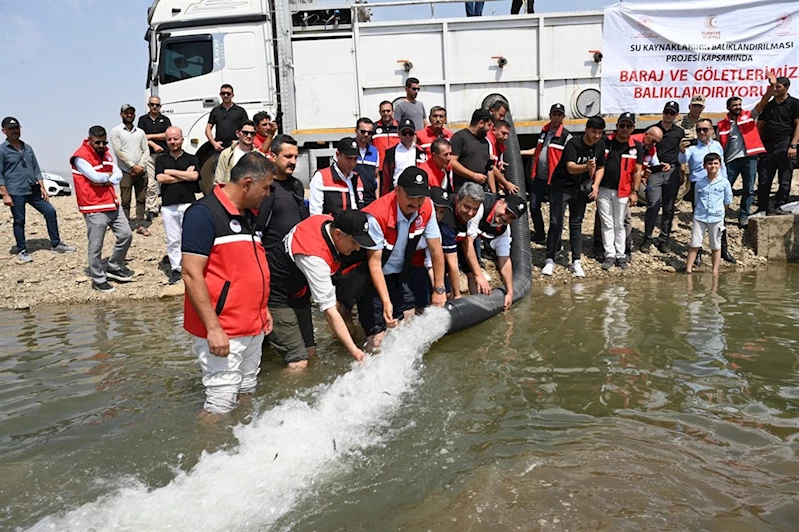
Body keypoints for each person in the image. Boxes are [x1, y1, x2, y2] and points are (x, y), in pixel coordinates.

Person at [181, 153, 274, 416]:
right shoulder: (202, 214)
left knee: (246, 390)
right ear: (247, 184)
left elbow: (249, 266)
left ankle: (241, 437)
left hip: (253, 324)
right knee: (220, 403)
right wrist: (213, 329)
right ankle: (209, 443)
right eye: (265, 187)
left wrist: (263, 309)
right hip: (224, 329)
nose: (268, 194)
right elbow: (190, 274)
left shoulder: (250, 214)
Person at [268, 210, 375, 367]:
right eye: (354, 242)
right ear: (338, 234)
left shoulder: (325, 221)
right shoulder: (314, 257)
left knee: (310, 351)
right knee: (298, 362)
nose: (357, 248)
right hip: (277, 295)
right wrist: (355, 351)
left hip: (299, 293)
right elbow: (330, 311)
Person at [359, 167, 447, 349]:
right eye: (410, 197)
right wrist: (386, 301)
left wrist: (439, 289)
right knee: (377, 337)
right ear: (397, 190)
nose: (416, 203)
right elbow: (374, 264)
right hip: (373, 277)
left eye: (420, 198)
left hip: (400, 273)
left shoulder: (427, 207)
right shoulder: (377, 216)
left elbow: (436, 249)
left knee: (405, 323)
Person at [258, 134, 314, 366]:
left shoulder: (297, 185)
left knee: (311, 353)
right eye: (287, 156)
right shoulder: (266, 188)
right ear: (273, 156)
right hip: (275, 283)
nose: (293, 161)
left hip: (298, 281)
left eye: (295, 157)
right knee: (298, 362)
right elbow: (256, 232)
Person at [1, 117, 74, 263]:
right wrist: (5, 194)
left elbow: (36, 168)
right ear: (4, 131)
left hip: (33, 189)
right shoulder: (2, 150)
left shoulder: (27, 148)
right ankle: (22, 250)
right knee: (19, 220)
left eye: (17, 128)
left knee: (50, 212)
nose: (15, 131)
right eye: (11, 129)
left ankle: (56, 244)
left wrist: (42, 187)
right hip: (15, 191)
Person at [70, 126, 133, 293]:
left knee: (126, 235)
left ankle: (114, 266)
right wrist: (107, 178)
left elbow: (117, 174)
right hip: (94, 206)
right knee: (96, 245)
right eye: (97, 142)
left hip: (112, 203)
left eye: (104, 142)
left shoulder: (106, 154)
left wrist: (105, 180)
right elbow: (95, 177)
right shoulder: (80, 157)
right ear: (89, 139)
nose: (101, 145)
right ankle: (98, 279)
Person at [542, 115, 606, 278]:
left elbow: (600, 167)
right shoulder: (573, 143)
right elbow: (570, 167)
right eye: (594, 132)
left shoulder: (600, 145)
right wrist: (586, 166)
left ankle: (576, 261)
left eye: (600, 132)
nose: (597, 136)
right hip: (561, 186)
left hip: (580, 189)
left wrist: (596, 185)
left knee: (576, 223)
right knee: (556, 222)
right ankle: (550, 259)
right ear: (586, 130)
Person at [678, 118, 735, 264]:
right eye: (699, 130)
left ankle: (723, 249)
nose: (702, 132)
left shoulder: (717, 145)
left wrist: (725, 182)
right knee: (699, 219)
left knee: (720, 219)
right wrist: (682, 151)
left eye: (705, 129)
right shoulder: (692, 148)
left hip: (717, 184)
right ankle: (697, 251)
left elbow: (722, 165)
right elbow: (683, 160)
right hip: (700, 185)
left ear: (711, 130)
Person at [591, 112, 643, 271]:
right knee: (606, 223)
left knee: (619, 224)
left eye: (628, 126)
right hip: (604, 189)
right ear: (617, 126)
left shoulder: (637, 147)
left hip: (623, 191)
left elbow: (637, 171)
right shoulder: (605, 141)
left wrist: (635, 192)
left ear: (633, 128)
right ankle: (609, 254)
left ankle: (621, 255)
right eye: (622, 125)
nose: (624, 129)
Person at [459, 188, 524, 310]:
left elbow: (504, 259)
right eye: (506, 211)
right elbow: (467, 242)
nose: (506, 217)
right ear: (501, 202)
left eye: (511, 217)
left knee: (472, 274)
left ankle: (477, 307)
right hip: (453, 231)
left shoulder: (504, 229)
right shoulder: (481, 207)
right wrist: (479, 275)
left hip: (464, 239)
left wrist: (510, 292)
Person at [719, 81, 773, 227]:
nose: (738, 107)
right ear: (728, 107)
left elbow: (763, 101)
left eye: (739, 104)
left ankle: (744, 215)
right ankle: (720, 214)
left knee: (749, 189)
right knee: (724, 188)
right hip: (730, 161)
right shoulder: (722, 124)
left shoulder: (749, 116)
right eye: (734, 105)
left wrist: (771, 87)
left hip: (750, 159)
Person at [155, 126, 200, 285]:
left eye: (175, 138)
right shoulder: (161, 159)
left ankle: (192, 267)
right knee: (173, 239)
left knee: (190, 237)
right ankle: (176, 268)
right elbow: (160, 178)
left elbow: (195, 176)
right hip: (168, 206)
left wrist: (171, 172)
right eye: (169, 139)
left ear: (182, 139)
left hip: (188, 203)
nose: (172, 142)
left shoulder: (191, 158)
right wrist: (184, 175)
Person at [642, 101, 684, 253]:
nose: (668, 115)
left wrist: (681, 172)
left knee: (669, 207)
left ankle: (663, 239)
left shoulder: (679, 132)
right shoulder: (653, 130)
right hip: (655, 172)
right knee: (653, 205)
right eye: (666, 112)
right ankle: (647, 238)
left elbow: (682, 152)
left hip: (672, 171)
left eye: (672, 113)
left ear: (676, 115)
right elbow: (644, 151)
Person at [527, 103, 572, 244]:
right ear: (550, 115)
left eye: (559, 115)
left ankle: (555, 243)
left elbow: (570, 157)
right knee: (534, 206)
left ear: (563, 117)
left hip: (554, 180)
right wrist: (519, 153)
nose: (556, 117)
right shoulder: (544, 131)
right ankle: (540, 234)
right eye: (554, 114)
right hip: (539, 178)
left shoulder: (566, 136)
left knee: (555, 214)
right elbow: (537, 150)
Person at [757, 75, 799, 214]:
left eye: (778, 86)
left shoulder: (794, 104)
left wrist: (793, 145)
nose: (775, 89)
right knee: (764, 179)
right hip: (768, 146)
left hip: (785, 144)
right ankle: (763, 208)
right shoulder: (768, 105)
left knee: (784, 180)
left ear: (786, 88)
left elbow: (798, 125)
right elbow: (760, 124)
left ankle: (781, 207)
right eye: (774, 86)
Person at [685, 153, 732, 275]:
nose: (713, 166)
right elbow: (696, 200)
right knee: (694, 243)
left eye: (716, 163)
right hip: (700, 217)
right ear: (704, 166)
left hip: (716, 217)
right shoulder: (699, 183)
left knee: (715, 245)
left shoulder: (724, 182)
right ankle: (688, 269)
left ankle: (715, 271)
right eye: (710, 163)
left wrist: (720, 211)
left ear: (720, 165)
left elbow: (727, 201)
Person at [111, 104, 150, 235]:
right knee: (125, 200)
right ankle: (125, 225)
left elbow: (146, 150)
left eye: (132, 113)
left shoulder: (140, 132)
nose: (129, 115)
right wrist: (132, 166)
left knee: (141, 199)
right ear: (121, 114)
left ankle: (140, 224)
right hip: (126, 171)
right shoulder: (116, 131)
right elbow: (118, 151)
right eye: (126, 113)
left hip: (141, 170)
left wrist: (141, 166)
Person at [137, 95, 171, 221]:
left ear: (160, 106)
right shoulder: (142, 120)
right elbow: (141, 137)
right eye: (152, 104)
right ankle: (152, 208)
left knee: (164, 180)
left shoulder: (165, 119)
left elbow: (167, 135)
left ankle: (166, 204)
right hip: (149, 155)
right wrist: (154, 144)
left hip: (164, 154)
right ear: (148, 105)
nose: (155, 107)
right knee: (151, 183)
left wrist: (150, 136)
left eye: (157, 105)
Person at [309, 137, 363, 215]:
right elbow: (315, 214)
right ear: (338, 155)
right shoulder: (321, 177)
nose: (352, 163)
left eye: (355, 159)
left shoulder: (356, 177)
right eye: (348, 158)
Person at [450, 108, 492, 191]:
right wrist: (474, 176)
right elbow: (452, 162)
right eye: (489, 125)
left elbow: (489, 169)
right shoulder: (459, 138)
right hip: (464, 190)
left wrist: (493, 192)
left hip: (482, 190)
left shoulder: (485, 142)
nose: (489, 128)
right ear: (481, 123)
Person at [382, 118, 426, 194]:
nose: (407, 136)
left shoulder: (420, 152)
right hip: (396, 192)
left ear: (414, 134)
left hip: (415, 191)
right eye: (404, 133)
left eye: (410, 133)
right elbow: (386, 177)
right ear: (398, 134)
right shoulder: (391, 152)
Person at [205, 84, 249, 152]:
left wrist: (239, 142)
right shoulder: (215, 111)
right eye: (223, 93)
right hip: (220, 148)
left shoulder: (240, 111)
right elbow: (208, 129)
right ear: (220, 95)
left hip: (236, 147)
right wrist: (214, 143)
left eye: (228, 94)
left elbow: (247, 128)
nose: (225, 95)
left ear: (232, 95)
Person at [213, 120, 258, 184]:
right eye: (245, 132)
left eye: (252, 133)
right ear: (237, 133)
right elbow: (218, 180)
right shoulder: (226, 154)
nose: (249, 136)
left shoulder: (259, 156)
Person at [486, 119, 519, 195]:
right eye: (503, 133)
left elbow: (497, 169)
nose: (506, 137)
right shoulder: (488, 142)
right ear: (494, 130)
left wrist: (502, 185)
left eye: (507, 134)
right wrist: (506, 184)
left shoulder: (499, 146)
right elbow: (491, 167)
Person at [354, 117, 380, 205]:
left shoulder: (375, 151)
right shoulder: (348, 148)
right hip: (353, 197)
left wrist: (377, 199)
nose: (366, 134)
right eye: (363, 131)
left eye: (369, 133)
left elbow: (376, 177)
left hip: (370, 199)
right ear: (356, 131)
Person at [373, 101, 400, 167]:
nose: (386, 113)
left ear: (393, 111)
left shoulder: (400, 127)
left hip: (397, 166)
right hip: (380, 166)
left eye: (388, 111)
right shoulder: (374, 127)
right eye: (383, 111)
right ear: (380, 112)